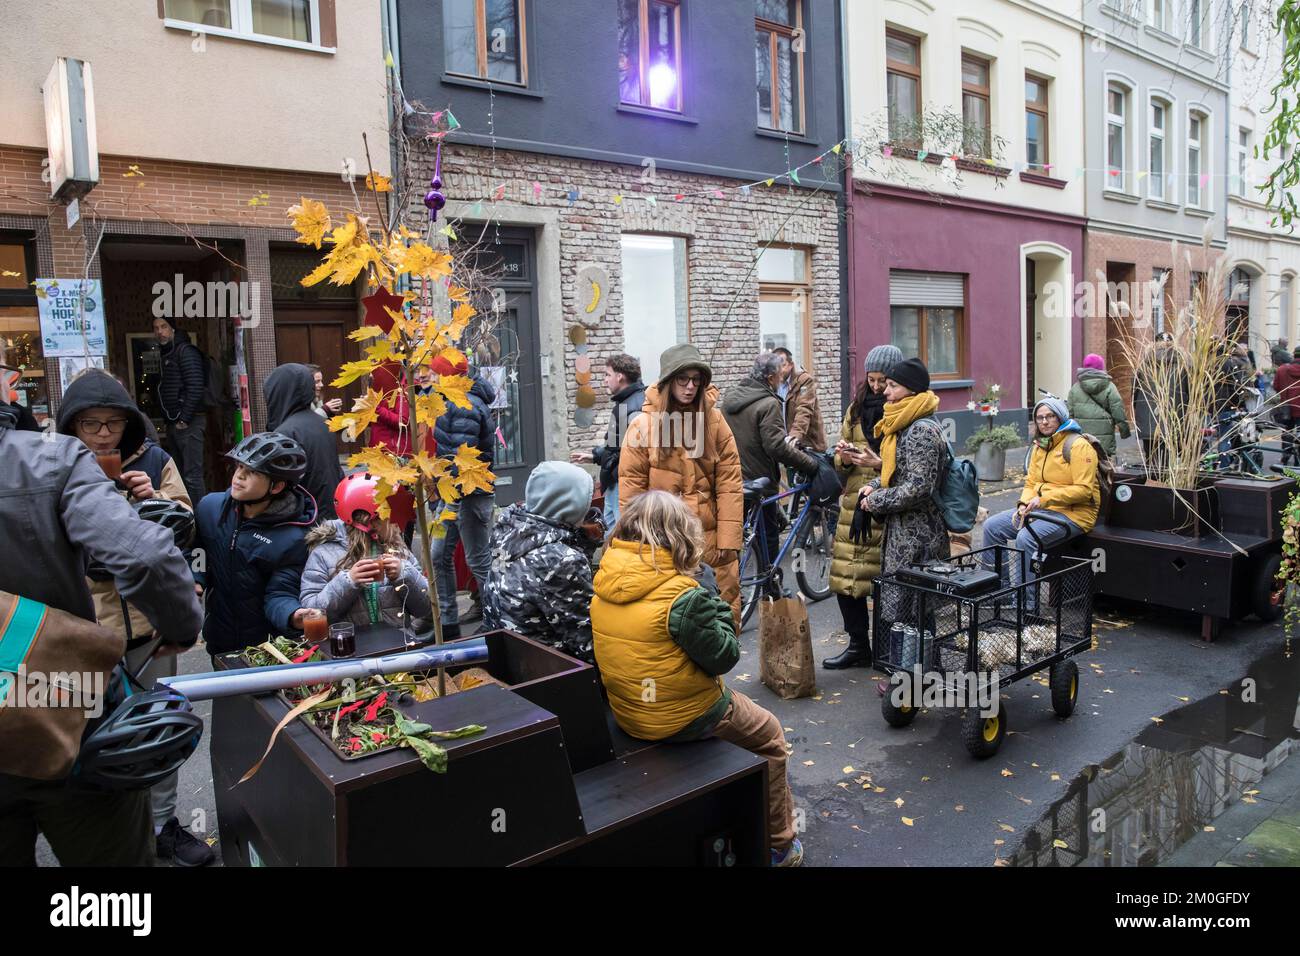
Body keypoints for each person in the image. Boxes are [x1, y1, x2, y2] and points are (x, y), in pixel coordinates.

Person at [0, 401, 203, 867]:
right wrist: (181, 624)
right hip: (65, 706)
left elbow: (174, 524)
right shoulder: (52, 459)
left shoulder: (136, 461)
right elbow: (145, 557)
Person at [53, 370, 214, 866]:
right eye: (91, 424)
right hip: (84, 631)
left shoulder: (156, 461)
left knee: (155, 728)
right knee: (86, 739)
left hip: (148, 629)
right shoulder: (51, 468)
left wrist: (153, 499)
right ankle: (110, 831)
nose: (104, 434)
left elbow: (184, 523)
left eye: (114, 424)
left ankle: (164, 824)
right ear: (72, 426)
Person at [591, 490, 802, 866]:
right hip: (685, 717)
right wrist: (709, 592)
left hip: (631, 713)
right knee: (770, 735)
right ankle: (780, 845)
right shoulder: (683, 596)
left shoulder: (604, 582)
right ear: (678, 535)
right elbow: (724, 656)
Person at [620, 344, 744, 624]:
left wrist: (728, 539)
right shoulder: (642, 427)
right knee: (671, 622)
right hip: (663, 543)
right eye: (682, 379)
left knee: (718, 622)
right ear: (668, 381)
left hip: (710, 540)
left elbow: (729, 483)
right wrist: (638, 543)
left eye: (696, 380)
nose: (690, 387)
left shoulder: (715, 421)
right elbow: (632, 493)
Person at [194, 433, 317, 657]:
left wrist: (293, 614)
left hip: (267, 649)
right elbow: (199, 549)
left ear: (277, 487)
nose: (238, 476)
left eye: (251, 472)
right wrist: (197, 577)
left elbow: (280, 592)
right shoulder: (209, 508)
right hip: (219, 639)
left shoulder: (294, 537)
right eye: (239, 467)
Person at [859, 359, 951, 638]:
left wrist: (876, 501)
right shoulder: (903, 423)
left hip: (919, 534)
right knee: (908, 607)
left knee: (914, 608)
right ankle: (912, 671)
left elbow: (918, 487)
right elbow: (897, 472)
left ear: (911, 390)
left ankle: (914, 676)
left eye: (892, 386)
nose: (885, 391)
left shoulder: (920, 430)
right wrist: (874, 485)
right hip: (904, 531)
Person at [982, 396, 1100, 603]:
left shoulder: (1078, 446)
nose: (1044, 422)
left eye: (1050, 416)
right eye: (1039, 418)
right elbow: (1031, 483)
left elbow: (1084, 491)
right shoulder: (1041, 446)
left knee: (1026, 538)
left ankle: (1026, 602)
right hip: (1042, 509)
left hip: (1074, 514)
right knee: (992, 527)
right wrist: (1023, 505)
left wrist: (1043, 499)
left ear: (1060, 417)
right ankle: (1000, 592)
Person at [823, 345, 897, 670]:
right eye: (872, 379)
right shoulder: (855, 409)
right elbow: (838, 461)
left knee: (880, 581)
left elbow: (909, 467)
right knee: (844, 578)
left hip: (884, 504)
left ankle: (884, 650)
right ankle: (858, 646)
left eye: (884, 380)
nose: (878, 387)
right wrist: (844, 455)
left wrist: (878, 463)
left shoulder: (901, 411)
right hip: (854, 504)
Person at [482, 461, 596, 662]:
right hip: (552, 670)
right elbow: (586, 642)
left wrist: (584, 543)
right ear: (571, 504)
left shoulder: (508, 529)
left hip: (507, 657)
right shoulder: (561, 560)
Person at [721, 353, 825, 566]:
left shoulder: (731, 398)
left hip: (733, 475)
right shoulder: (768, 404)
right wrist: (810, 464)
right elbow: (776, 446)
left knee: (738, 531)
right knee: (767, 535)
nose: (781, 379)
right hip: (760, 478)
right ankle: (771, 586)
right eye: (778, 375)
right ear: (770, 377)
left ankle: (737, 581)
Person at [300, 474, 432, 630]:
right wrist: (347, 582)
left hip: (397, 648)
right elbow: (311, 613)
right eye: (389, 515)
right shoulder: (324, 554)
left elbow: (425, 609)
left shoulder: (397, 548)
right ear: (369, 521)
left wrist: (405, 574)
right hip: (350, 649)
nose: (397, 521)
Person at [429, 361, 497, 638]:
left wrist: (449, 498)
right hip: (452, 492)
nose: (429, 376)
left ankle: (497, 621)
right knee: (438, 555)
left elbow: (461, 456)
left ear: (446, 375)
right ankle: (447, 624)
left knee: (478, 560)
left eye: (434, 372)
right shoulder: (451, 399)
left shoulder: (464, 404)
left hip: (469, 495)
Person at [571, 352, 646, 530]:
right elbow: (615, 446)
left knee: (621, 537)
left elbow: (633, 453)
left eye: (607, 374)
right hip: (614, 483)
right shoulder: (624, 403)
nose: (605, 380)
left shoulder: (634, 406)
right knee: (609, 536)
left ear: (620, 377)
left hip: (623, 484)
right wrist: (595, 456)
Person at [264, 363, 345, 521]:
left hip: (305, 519)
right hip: (329, 513)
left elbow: (282, 487)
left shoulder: (286, 432)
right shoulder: (321, 423)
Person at [153, 315, 208, 505]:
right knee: (180, 478)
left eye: (164, 326)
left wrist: (184, 418)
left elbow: (195, 385)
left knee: (192, 475)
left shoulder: (185, 352)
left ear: (173, 329)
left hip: (189, 423)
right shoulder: (168, 353)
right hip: (175, 422)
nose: (159, 331)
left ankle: (201, 520)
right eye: (156, 328)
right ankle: (189, 517)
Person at [1132, 331, 1188, 475]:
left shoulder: (1143, 367)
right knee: (1168, 462)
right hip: (1173, 422)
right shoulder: (1183, 367)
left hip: (1147, 422)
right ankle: (1166, 490)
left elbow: (1134, 395)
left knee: (1151, 460)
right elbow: (1190, 397)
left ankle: (1152, 489)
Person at [1066, 354, 1131, 456]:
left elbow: (1069, 415)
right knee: (1104, 465)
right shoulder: (1110, 387)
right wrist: (1124, 431)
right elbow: (1118, 411)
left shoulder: (1075, 388)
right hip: (1104, 441)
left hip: (1082, 440)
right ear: (1101, 368)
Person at [772, 347, 827, 452]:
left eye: (782, 366)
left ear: (791, 365)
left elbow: (804, 410)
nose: (778, 371)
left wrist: (794, 437)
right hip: (784, 443)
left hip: (808, 444)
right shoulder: (773, 383)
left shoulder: (804, 381)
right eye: (775, 367)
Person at [1272, 346, 1300, 465]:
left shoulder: (1282, 369)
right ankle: (1298, 460)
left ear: (1294, 355)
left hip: (1286, 407)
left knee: (1287, 433)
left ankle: (1286, 456)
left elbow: (1276, 387)